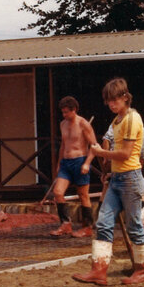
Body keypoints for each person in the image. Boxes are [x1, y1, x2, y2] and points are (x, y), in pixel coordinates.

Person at [73, 77, 144, 285]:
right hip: (117, 178)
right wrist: (107, 170)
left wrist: (101, 153)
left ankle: (143, 269)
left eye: (114, 100)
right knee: (103, 223)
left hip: (130, 178)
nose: (111, 104)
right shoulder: (116, 120)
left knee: (134, 225)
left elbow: (126, 154)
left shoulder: (132, 119)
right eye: (108, 101)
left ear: (125, 97)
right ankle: (99, 270)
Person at [49, 96, 97, 237]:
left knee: (83, 195)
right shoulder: (63, 124)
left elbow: (94, 146)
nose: (64, 115)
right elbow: (64, 144)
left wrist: (87, 163)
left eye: (66, 112)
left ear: (74, 110)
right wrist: (59, 164)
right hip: (66, 162)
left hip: (80, 161)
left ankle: (87, 227)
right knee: (58, 192)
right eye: (62, 112)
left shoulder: (83, 124)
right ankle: (65, 224)